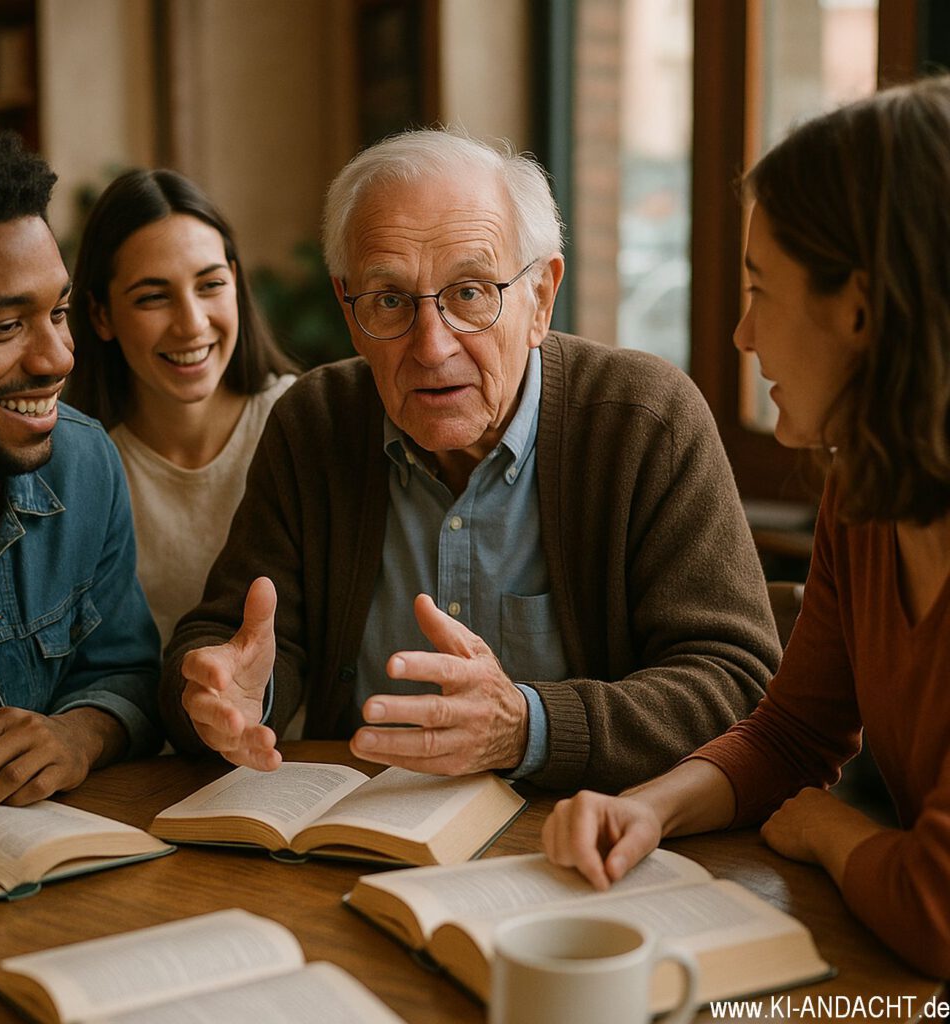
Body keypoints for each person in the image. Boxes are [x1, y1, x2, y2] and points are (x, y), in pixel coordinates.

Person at [160, 128, 781, 790]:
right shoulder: (316, 422)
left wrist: (526, 725)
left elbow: (737, 682)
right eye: (391, 299)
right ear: (349, 309)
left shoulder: (644, 422)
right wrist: (223, 690)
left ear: (540, 297)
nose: (432, 347)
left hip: (582, 833)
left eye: (471, 293)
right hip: (358, 835)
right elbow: (232, 640)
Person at [542, 77, 950, 977]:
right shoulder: (863, 492)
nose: (739, 334)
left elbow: (938, 906)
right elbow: (790, 735)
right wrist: (648, 808)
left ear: (861, 307)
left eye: (761, 290)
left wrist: (830, 826)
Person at [0, 124, 161, 831]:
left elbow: (127, 676)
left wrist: (76, 735)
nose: (59, 357)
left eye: (57, 311)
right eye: (5, 327)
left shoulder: (82, 465)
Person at [66, 170, 297, 647]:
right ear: (101, 314)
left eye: (210, 285)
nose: (191, 325)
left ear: (235, 281)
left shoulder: (301, 425)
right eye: (153, 297)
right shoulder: (75, 467)